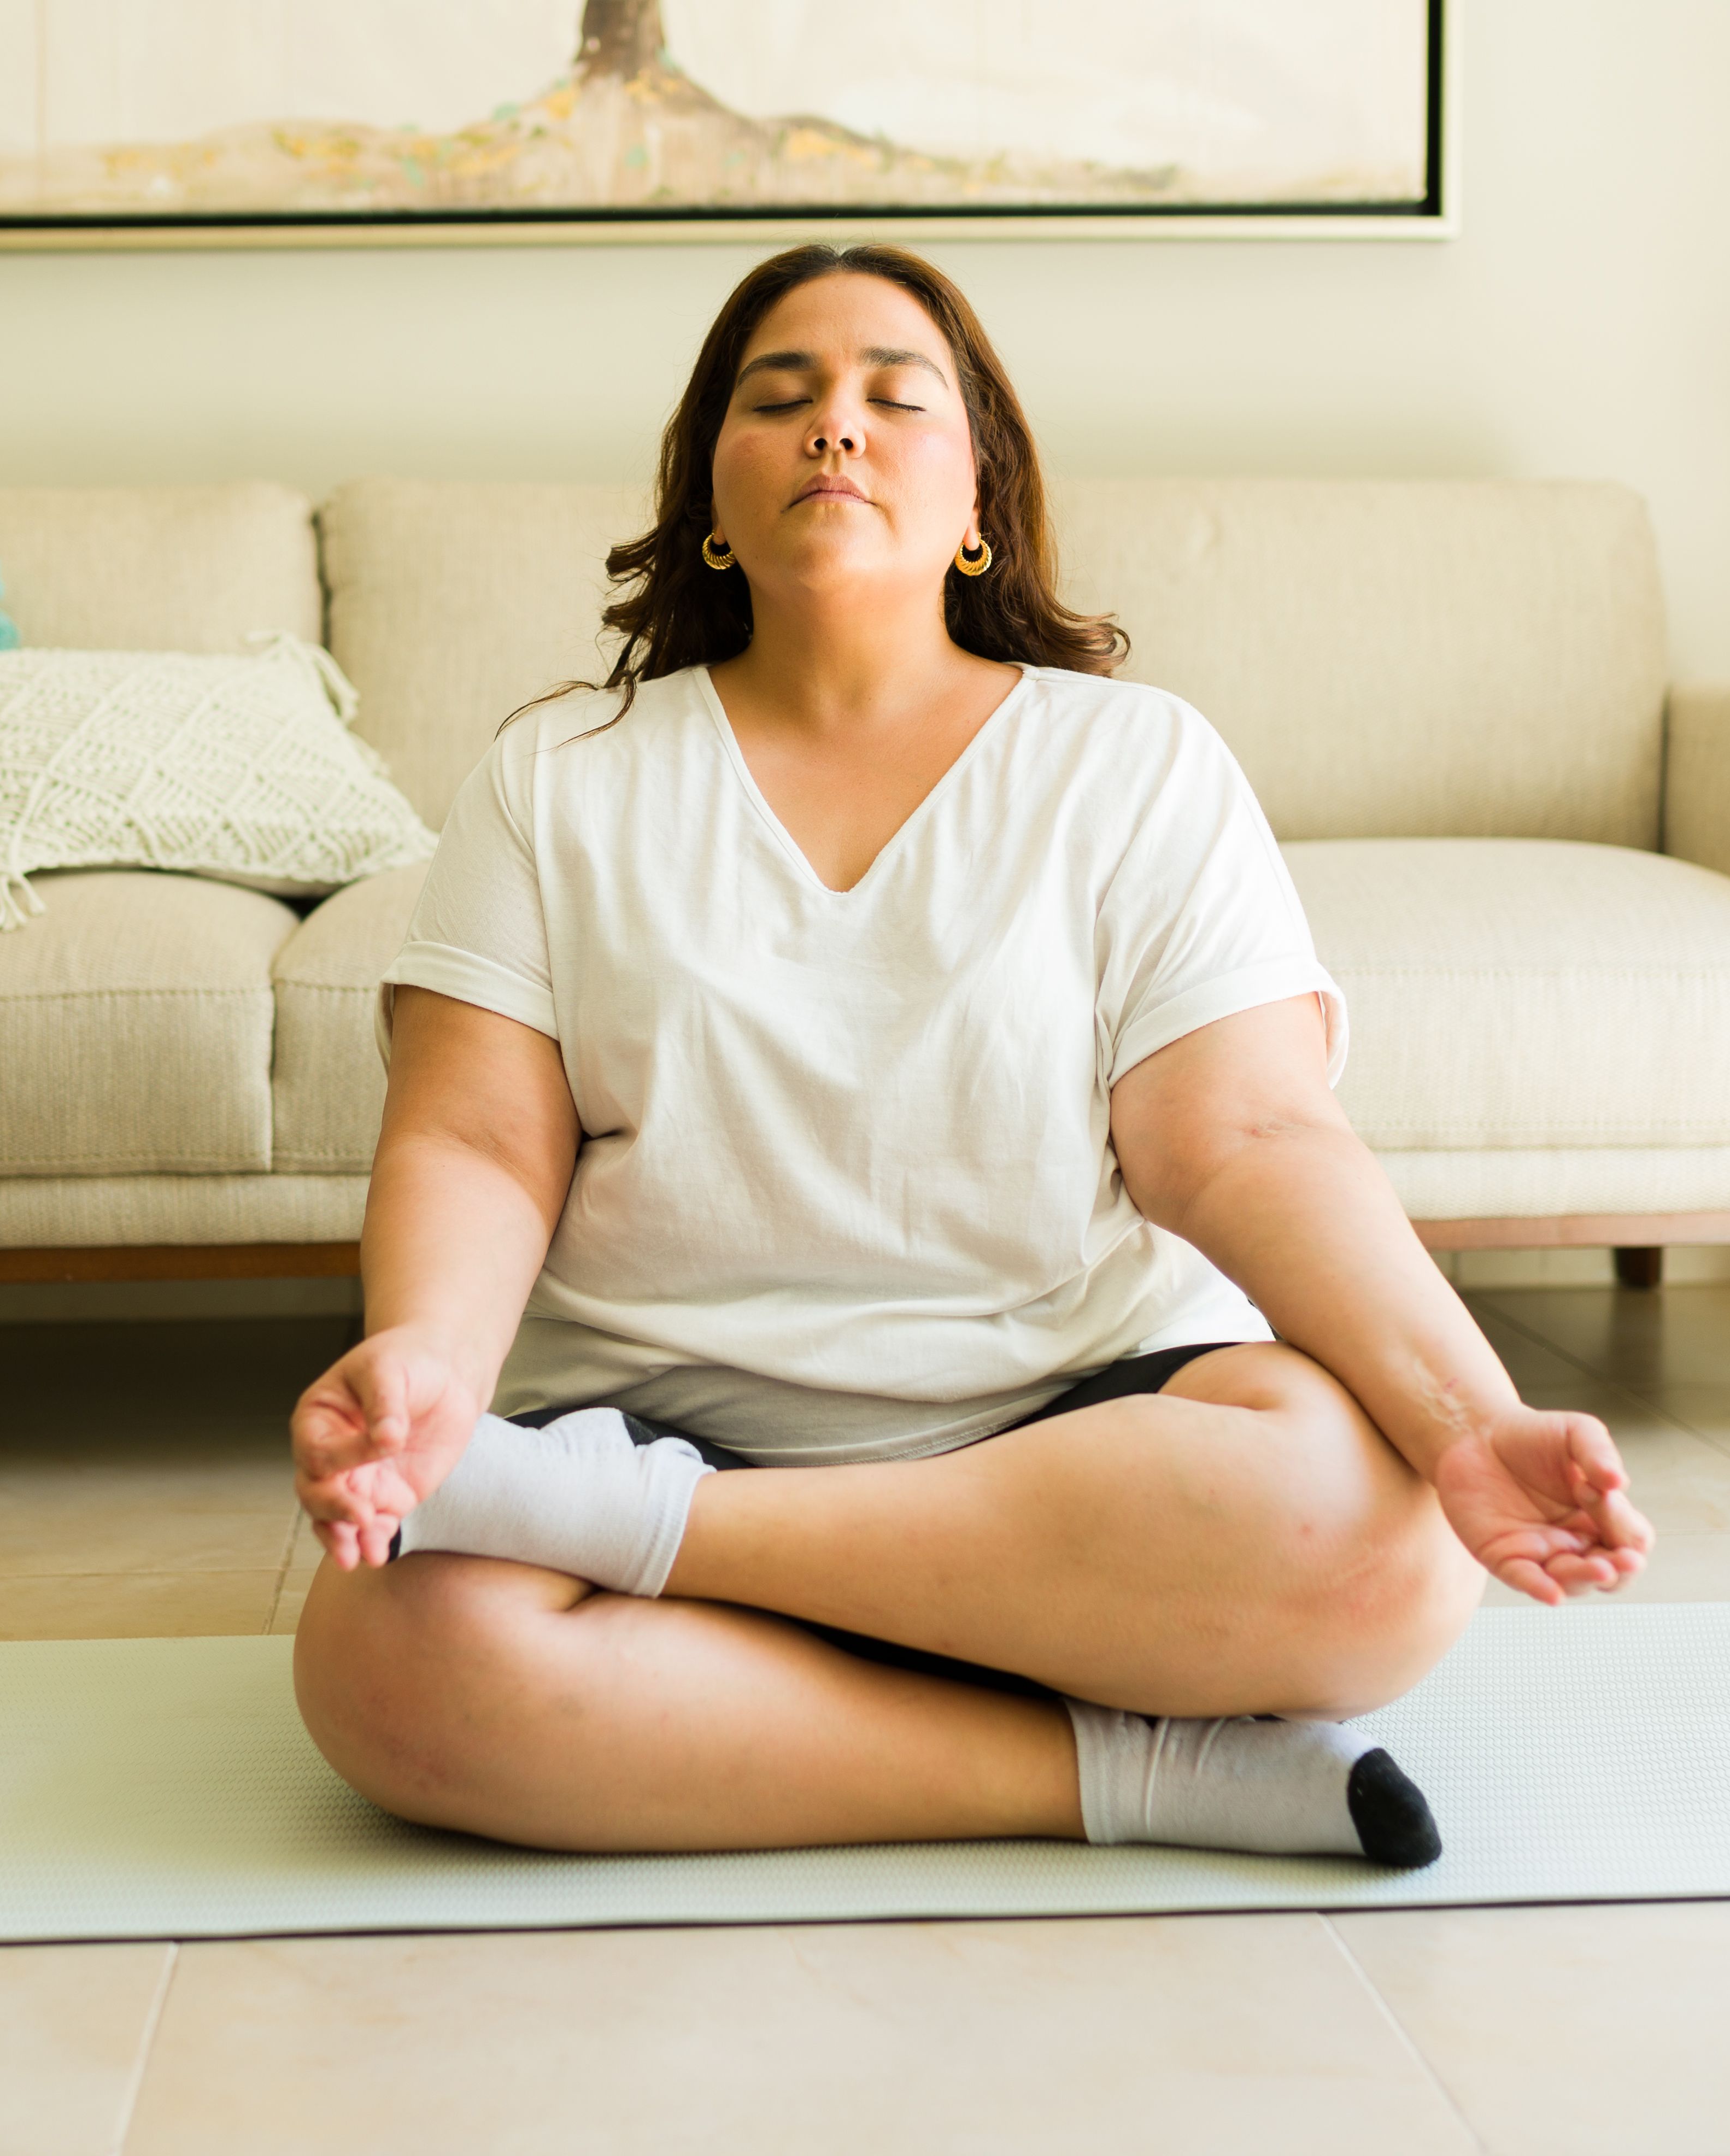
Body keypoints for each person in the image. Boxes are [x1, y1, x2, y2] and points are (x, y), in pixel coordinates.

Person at [287, 243, 1651, 1866]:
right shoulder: (559, 773)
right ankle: (1136, 1775)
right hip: (672, 1409)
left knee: (1390, 1553)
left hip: (1077, 1425)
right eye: (778, 398)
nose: (833, 429)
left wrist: (1468, 1420)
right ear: (710, 492)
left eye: (893, 397)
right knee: (390, 1671)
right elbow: (476, 1143)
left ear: (983, 492)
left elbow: (1248, 1140)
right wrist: (434, 1367)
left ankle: (645, 1551)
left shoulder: (1132, 763)